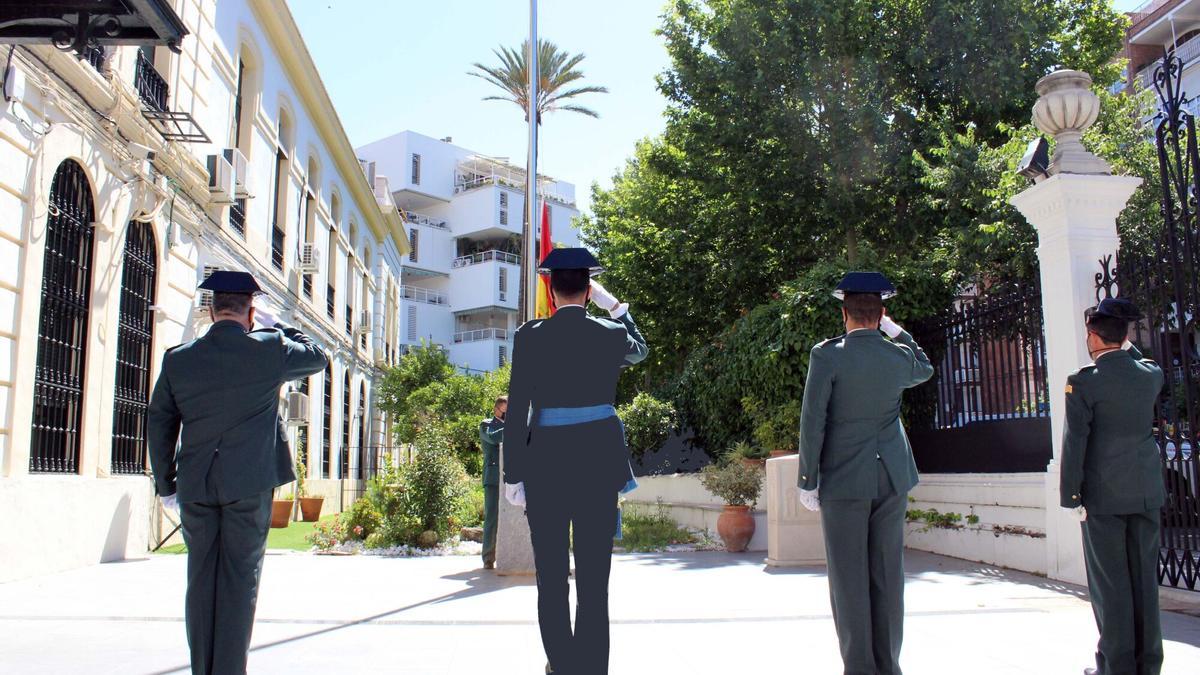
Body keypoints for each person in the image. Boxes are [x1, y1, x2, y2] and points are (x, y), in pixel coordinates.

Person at [147, 270, 329, 675]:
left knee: (201, 581)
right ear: (250, 312)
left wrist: (166, 485)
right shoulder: (270, 348)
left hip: (196, 485)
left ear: (212, 310)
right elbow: (317, 356)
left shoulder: (178, 358)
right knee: (240, 580)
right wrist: (278, 326)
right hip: (249, 484)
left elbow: (159, 423)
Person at [503, 247, 648, 675]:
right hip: (597, 467)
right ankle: (592, 667)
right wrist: (615, 307)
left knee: (551, 579)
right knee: (593, 580)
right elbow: (640, 350)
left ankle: (563, 665)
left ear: (550, 292)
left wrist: (513, 474)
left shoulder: (529, 336)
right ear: (588, 291)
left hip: (545, 467)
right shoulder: (610, 333)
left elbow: (518, 409)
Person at [796, 271, 934, 675]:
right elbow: (925, 367)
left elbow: (813, 421)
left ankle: (859, 668)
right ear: (880, 314)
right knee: (888, 575)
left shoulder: (828, 355)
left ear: (844, 314)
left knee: (849, 579)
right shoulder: (897, 355)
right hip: (891, 476)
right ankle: (889, 666)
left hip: (843, 479)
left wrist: (807, 480)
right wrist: (896, 331)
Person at [1061, 297, 1165, 675]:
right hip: (1146, 493)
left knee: (1111, 587)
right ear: (1123, 337)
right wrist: (1121, 340)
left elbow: (1075, 442)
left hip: (1103, 498)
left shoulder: (1083, 382)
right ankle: (1148, 665)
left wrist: (1071, 495)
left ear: (1092, 336)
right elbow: (1134, 357)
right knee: (1144, 584)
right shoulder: (1149, 374)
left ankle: (1117, 667)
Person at [479, 395, 507, 569]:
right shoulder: (486, 424)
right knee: (492, 517)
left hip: (512, 477)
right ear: (496, 409)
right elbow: (494, 438)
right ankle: (488, 557)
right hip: (494, 478)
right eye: (505, 410)